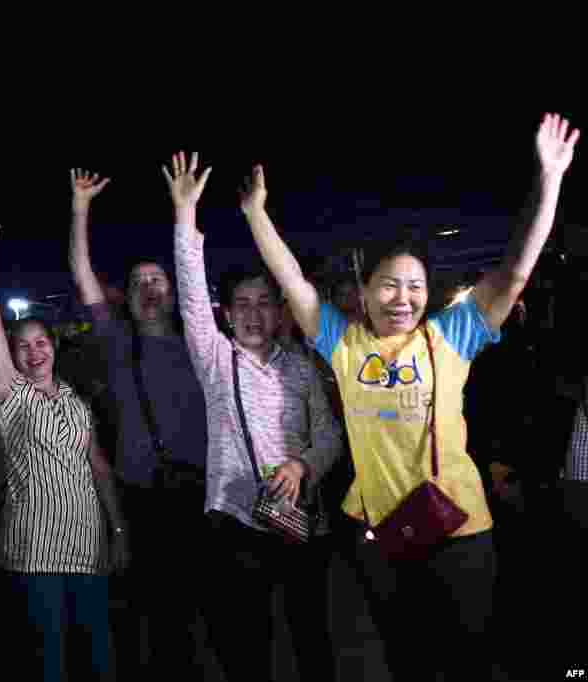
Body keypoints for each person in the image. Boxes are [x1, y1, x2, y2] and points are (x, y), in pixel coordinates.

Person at [240, 113, 579, 681]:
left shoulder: (450, 336)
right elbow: (294, 282)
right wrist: (256, 215)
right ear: (365, 292)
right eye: (390, 285)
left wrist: (550, 179)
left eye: (416, 285)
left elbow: (516, 271)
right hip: (381, 539)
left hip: (459, 531)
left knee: (466, 661)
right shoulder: (344, 345)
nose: (404, 297)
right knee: (404, 658)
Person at [165, 151, 344, 681]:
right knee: (246, 647)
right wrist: (185, 215)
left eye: (264, 301)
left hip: (299, 522)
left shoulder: (303, 366)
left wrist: (303, 466)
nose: (252, 311)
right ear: (227, 313)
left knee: (312, 637)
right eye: (241, 303)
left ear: (279, 309)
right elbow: (193, 298)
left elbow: (329, 433)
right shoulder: (217, 359)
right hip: (236, 523)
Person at [0, 213, 128, 681]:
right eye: (23, 346)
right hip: (34, 549)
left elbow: (98, 468)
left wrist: (117, 531)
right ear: (13, 356)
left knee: (100, 655)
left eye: (41, 342)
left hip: (88, 544)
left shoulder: (77, 402)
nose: (34, 352)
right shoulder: (13, 397)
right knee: (48, 659)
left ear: (53, 346)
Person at [67, 167, 208, 676]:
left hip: (198, 492)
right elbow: (82, 273)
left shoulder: (199, 341)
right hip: (142, 494)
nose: (150, 287)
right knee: (143, 611)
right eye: (139, 281)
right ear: (124, 295)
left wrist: (184, 211)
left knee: (193, 616)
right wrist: (81, 207)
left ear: (171, 289)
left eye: (158, 279)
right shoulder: (116, 339)